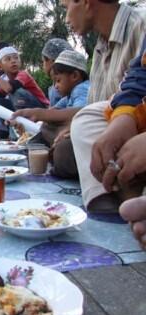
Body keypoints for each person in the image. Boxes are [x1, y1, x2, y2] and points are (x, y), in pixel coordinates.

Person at [66, 0, 146, 212]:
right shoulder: (100, 47)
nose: (66, 18)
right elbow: (139, 78)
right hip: (129, 120)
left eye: (66, 8)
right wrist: (124, 116)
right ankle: (114, 203)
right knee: (84, 122)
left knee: (65, 153)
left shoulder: (141, 22)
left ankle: (126, 201)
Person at [12, 50, 89, 178]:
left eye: (58, 80)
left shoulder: (82, 89)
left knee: (60, 146)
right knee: (46, 127)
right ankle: (43, 155)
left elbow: (81, 113)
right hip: (66, 131)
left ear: (75, 76)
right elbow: (51, 112)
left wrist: (39, 114)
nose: (56, 86)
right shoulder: (69, 95)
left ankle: (51, 157)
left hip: (81, 130)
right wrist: (29, 119)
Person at [0, 46, 50, 110]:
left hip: (43, 108)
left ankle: (21, 120)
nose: (13, 61)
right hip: (27, 109)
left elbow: (9, 89)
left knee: (17, 91)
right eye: (8, 59)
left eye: (16, 58)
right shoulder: (7, 83)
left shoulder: (23, 74)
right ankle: (15, 121)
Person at [41, 38, 73, 106]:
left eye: (43, 61)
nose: (42, 65)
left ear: (51, 61)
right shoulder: (55, 86)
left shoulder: (60, 89)